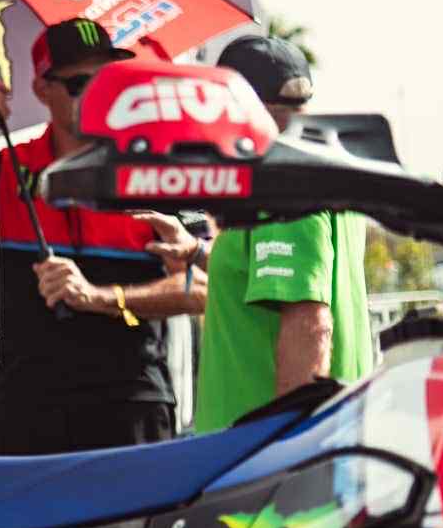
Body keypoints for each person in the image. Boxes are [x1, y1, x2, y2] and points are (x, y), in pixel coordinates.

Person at [0, 17, 208, 455]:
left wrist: (102, 298)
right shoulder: (11, 167)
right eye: (80, 83)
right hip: (28, 410)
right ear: (42, 89)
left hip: (130, 403)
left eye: (108, 79)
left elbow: (202, 289)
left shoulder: (155, 170)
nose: (98, 92)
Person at [139, 35, 369, 432]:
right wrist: (196, 252)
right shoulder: (327, 174)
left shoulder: (282, 184)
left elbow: (309, 322)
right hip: (323, 439)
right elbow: (281, 278)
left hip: (263, 452)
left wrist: (285, 448)